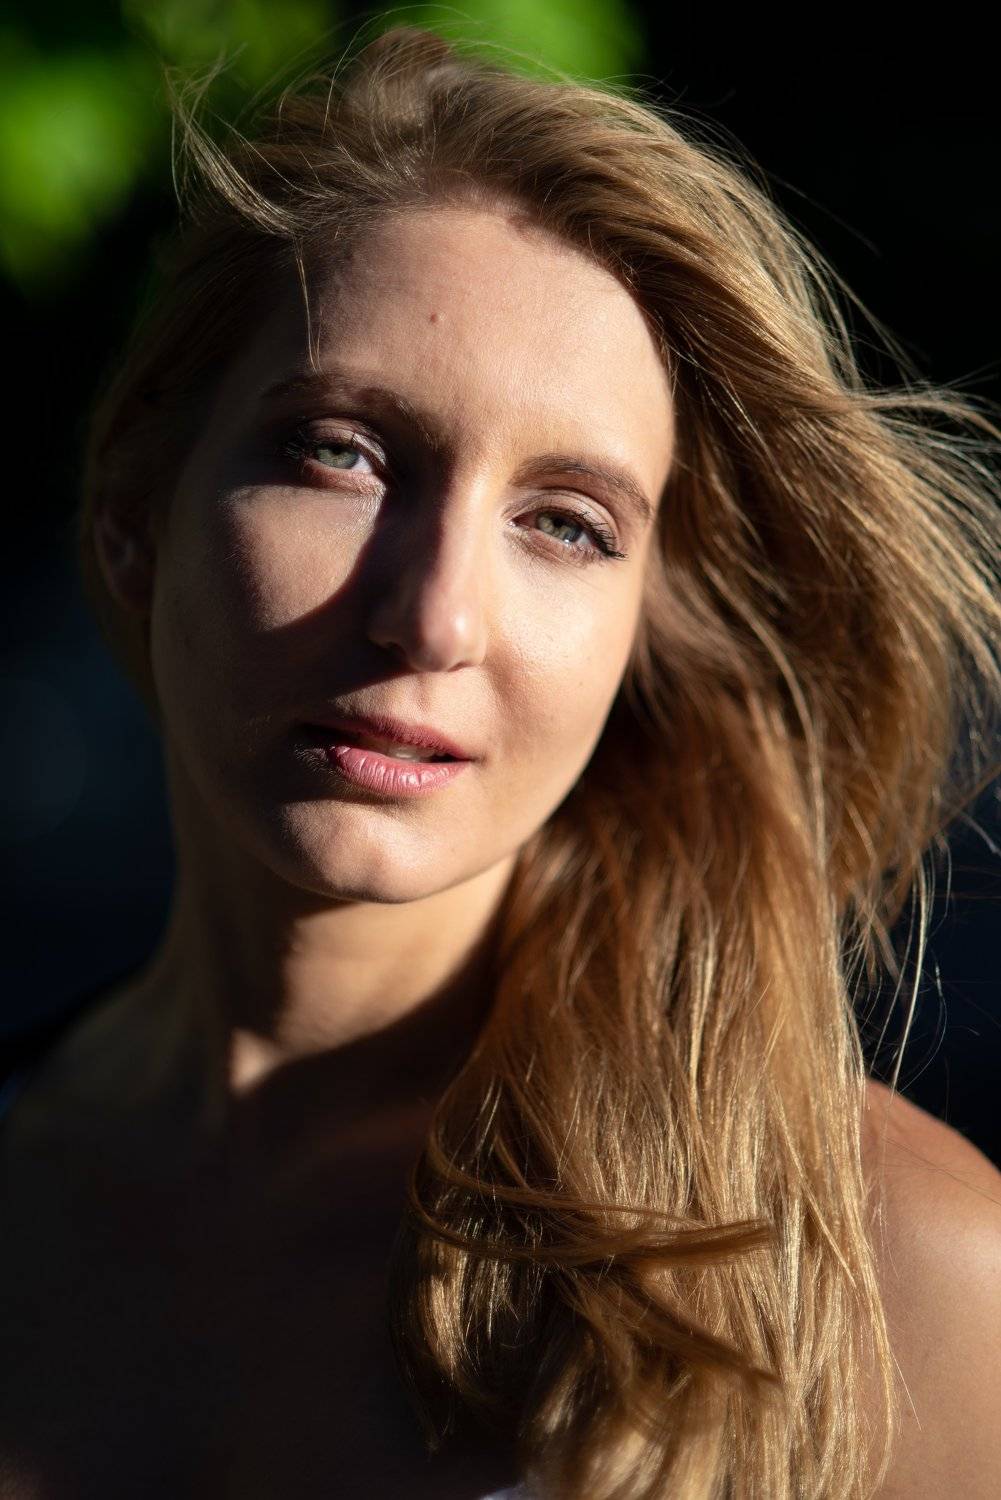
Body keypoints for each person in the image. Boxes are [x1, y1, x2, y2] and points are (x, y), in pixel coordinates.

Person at [2, 23, 1000, 1500]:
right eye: (344, 452)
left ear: (638, 631)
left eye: (566, 524)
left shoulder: (890, 1279)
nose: (434, 618)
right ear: (136, 511)